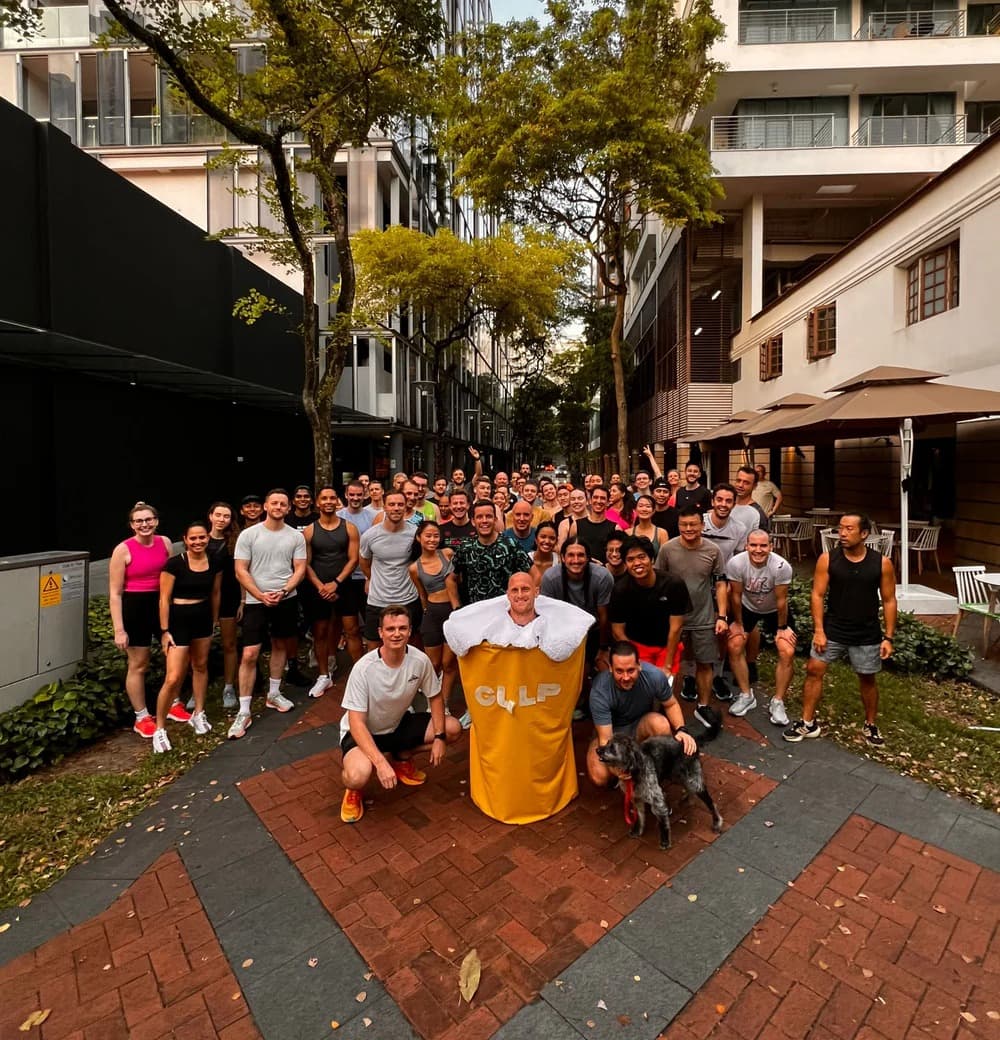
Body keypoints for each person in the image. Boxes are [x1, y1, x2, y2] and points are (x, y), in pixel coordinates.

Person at [338, 606, 462, 823]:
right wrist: (379, 763)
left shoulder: (420, 660)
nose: (396, 633)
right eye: (391, 629)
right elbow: (355, 722)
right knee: (358, 775)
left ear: (410, 631)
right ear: (380, 632)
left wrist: (440, 737)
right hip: (363, 733)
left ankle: (400, 757)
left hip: (397, 724)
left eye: (402, 628)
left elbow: (434, 697)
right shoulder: (363, 668)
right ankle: (353, 791)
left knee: (453, 729)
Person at [784, 513, 896, 746]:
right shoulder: (828, 559)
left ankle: (870, 725)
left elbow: (889, 600)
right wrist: (818, 630)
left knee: (867, 678)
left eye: (849, 529)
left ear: (864, 534)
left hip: (867, 630)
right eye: (840, 528)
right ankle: (807, 722)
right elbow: (817, 594)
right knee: (814, 668)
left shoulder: (881, 563)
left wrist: (888, 637)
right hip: (834, 627)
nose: (842, 534)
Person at [230, 489, 307, 739]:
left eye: (283, 504)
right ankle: (243, 710)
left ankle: (274, 693)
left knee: (280, 644)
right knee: (250, 653)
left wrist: (284, 591)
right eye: (274, 503)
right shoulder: (249, 535)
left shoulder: (295, 536)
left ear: (288, 508)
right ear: (266, 506)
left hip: (285, 599)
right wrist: (260, 594)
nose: (278, 507)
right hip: (256, 601)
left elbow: (299, 569)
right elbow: (241, 570)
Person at [109, 502, 184, 738]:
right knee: (139, 664)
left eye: (149, 519)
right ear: (132, 525)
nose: (145, 524)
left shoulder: (165, 543)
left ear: (156, 521)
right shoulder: (123, 550)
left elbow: (172, 576)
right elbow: (115, 593)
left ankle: (173, 703)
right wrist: (119, 629)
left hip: (162, 604)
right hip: (136, 607)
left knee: (174, 655)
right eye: (139, 521)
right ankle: (142, 717)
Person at [586, 641, 697, 788]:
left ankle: (654, 772)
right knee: (600, 777)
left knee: (661, 724)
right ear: (611, 669)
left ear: (639, 665)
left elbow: (671, 704)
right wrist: (616, 769)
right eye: (619, 671)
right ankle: (630, 765)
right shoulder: (600, 690)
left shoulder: (654, 676)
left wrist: (682, 730)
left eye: (630, 670)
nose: (625, 677)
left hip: (640, 726)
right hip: (611, 734)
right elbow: (605, 738)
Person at [655, 507, 728, 725]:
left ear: (702, 525)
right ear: (678, 526)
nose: (689, 529)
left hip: (703, 617)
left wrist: (722, 616)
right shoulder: (668, 549)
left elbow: (721, 582)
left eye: (693, 524)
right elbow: (658, 581)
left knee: (705, 663)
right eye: (684, 525)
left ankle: (703, 707)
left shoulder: (713, 550)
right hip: (672, 619)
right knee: (669, 665)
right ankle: (665, 706)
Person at [153, 522, 221, 751]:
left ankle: (199, 712)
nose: (198, 542)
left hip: (202, 618)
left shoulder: (214, 561)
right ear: (185, 539)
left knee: (201, 666)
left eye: (202, 537)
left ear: (207, 538)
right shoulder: (174, 564)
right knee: (173, 677)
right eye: (193, 538)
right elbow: (164, 599)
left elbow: (215, 592)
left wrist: (213, 620)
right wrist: (164, 631)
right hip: (178, 621)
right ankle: (159, 728)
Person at [726, 531, 796, 724]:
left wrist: (782, 628)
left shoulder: (781, 566)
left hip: (774, 609)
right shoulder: (736, 564)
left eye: (763, 546)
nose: (758, 550)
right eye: (754, 545)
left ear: (771, 547)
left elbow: (782, 601)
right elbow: (736, 596)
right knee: (734, 644)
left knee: (787, 650)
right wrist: (738, 624)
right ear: (746, 546)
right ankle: (746, 695)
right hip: (748, 606)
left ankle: (778, 701)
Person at [304, 486, 361, 699]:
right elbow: (305, 563)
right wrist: (320, 586)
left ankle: (359, 674)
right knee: (320, 632)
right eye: (324, 498)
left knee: (352, 630)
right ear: (318, 503)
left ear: (337, 501)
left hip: (344, 586)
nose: (328, 501)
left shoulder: (349, 528)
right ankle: (323, 675)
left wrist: (336, 583)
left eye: (332, 498)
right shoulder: (309, 531)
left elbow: (353, 559)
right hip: (318, 588)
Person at [541, 539, 614, 700]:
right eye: (571, 555)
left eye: (580, 555)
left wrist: (603, 648)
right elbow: (547, 615)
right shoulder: (551, 577)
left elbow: (603, 616)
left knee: (597, 669)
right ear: (562, 557)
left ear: (588, 558)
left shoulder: (601, 577)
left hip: (593, 630)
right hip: (562, 630)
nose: (575, 560)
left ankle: (589, 699)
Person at [609, 535, 690, 673]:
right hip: (636, 645)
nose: (637, 563)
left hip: (668, 645)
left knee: (665, 686)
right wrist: (634, 659)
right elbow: (618, 631)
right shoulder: (620, 589)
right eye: (630, 560)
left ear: (651, 559)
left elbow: (676, 628)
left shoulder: (673, 584)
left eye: (642, 557)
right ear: (625, 564)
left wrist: (667, 665)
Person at [409, 520, 461, 720]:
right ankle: (433, 700)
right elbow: (421, 593)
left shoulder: (447, 554)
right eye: (428, 536)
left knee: (449, 663)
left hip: (452, 611)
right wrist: (425, 611)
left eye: (435, 536)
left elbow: (458, 578)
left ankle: (444, 703)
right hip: (432, 612)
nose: (432, 539)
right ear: (419, 538)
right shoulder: (414, 568)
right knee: (433, 663)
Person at [359, 490, 423, 650]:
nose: (396, 508)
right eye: (392, 504)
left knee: (409, 647)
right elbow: (364, 563)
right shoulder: (369, 535)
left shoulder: (415, 533)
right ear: (384, 507)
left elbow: (421, 563)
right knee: (374, 647)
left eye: (400, 504)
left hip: (408, 598)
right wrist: (375, 581)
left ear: (405, 506)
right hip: (378, 600)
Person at [453, 499, 532, 603]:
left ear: (495, 519)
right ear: (473, 521)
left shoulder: (510, 545)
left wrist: (528, 602)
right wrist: (456, 606)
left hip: (506, 610)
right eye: (479, 517)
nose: (484, 520)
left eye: (489, 516)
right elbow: (451, 579)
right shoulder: (466, 547)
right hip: (477, 610)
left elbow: (533, 573)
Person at [203, 501, 241, 710]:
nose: (221, 519)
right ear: (210, 516)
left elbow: (242, 572)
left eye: (226, 516)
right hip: (202, 600)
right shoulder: (200, 540)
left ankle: (229, 686)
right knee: (200, 648)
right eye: (218, 515)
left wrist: (243, 600)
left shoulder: (234, 543)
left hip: (229, 597)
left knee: (229, 644)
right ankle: (198, 687)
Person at [702, 483, 750, 569]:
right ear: (712, 502)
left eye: (728, 501)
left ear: (734, 505)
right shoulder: (698, 522)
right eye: (719, 500)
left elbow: (739, 559)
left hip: (725, 576)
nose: (723, 504)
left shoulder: (740, 529)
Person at [569, 485, 617, 563]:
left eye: (603, 498)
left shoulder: (615, 528)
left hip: (604, 572)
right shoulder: (576, 525)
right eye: (595, 497)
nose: (598, 501)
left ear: (608, 502)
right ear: (590, 500)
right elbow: (570, 551)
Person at [731, 466, 769, 534]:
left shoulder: (758, 513)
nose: (740, 485)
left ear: (754, 486)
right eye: (738, 480)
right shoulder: (726, 505)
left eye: (746, 483)